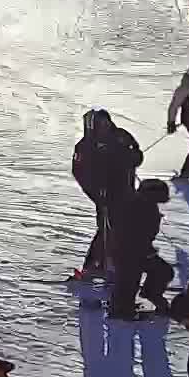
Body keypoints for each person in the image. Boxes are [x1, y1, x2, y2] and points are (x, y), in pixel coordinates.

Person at [71, 108, 143, 279]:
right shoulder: (85, 145)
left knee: (125, 227)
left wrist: (132, 158)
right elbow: (79, 172)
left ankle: (115, 262)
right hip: (104, 195)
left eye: (106, 122)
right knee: (106, 228)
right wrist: (95, 193)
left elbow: (136, 153)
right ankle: (93, 265)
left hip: (125, 190)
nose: (105, 126)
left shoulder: (121, 136)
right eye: (100, 123)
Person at [108, 177, 177, 321]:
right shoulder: (136, 207)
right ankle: (121, 310)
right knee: (129, 280)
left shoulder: (147, 206)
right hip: (126, 252)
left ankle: (150, 294)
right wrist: (145, 251)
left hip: (139, 251)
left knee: (163, 272)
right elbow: (130, 235)